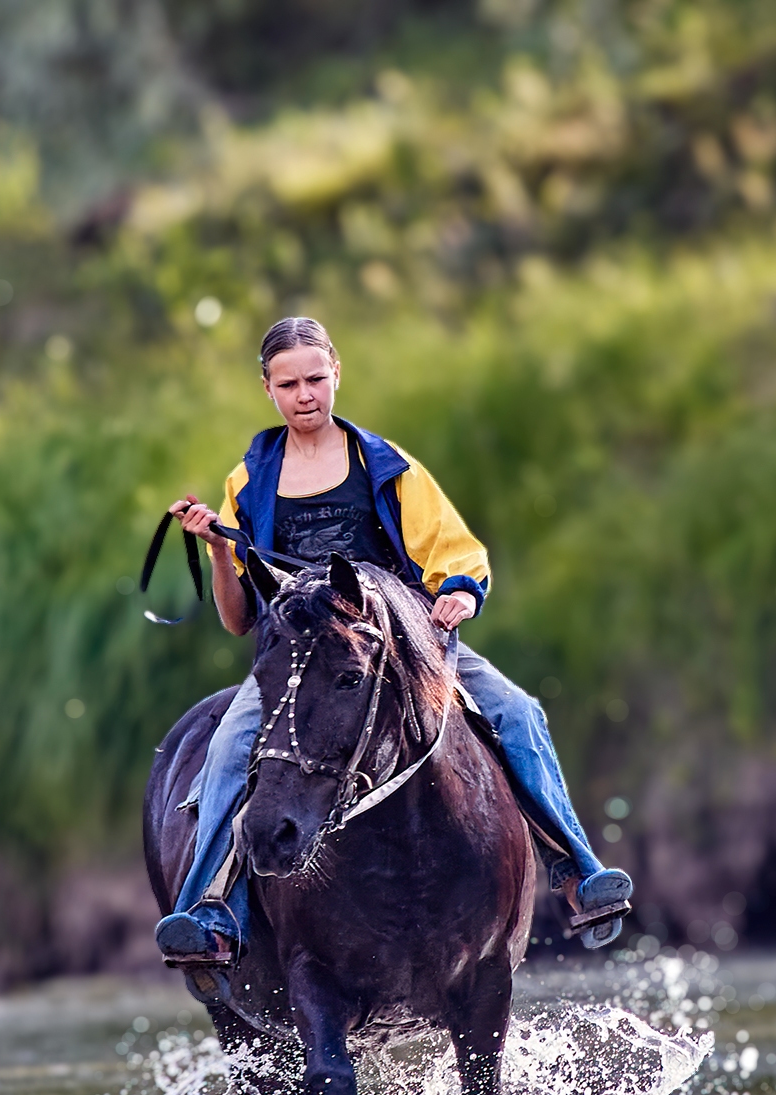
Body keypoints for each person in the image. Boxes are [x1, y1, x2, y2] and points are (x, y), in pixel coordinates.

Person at [155, 317, 632, 966]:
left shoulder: (387, 466)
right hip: (297, 667)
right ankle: (211, 910)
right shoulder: (248, 481)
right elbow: (240, 619)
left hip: (401, 649)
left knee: (517, 712)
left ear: (337, 374)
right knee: (230, 750)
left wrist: (461, 590)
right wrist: (216, 549)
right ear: (266, 389)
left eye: (316, 379)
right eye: (288, 383)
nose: (305, 395)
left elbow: (455, 554)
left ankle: (576, 871)